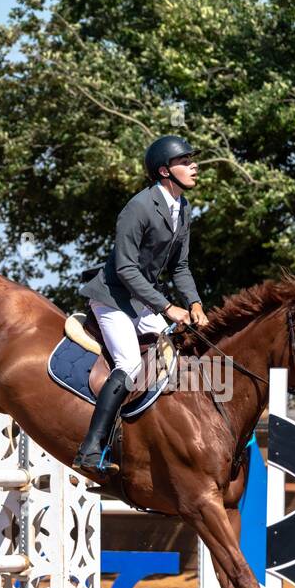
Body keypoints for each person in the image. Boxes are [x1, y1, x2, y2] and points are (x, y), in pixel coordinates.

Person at [74, 134, 209, 473]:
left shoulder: (183, 208)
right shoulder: (139, 207)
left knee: (176, 353)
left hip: (141, 300)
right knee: (130, 364)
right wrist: (167, 307)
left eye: (192, 160)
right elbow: (125, 268)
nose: (194, 166)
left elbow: (180, 267)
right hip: (113, 298)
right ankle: (91, 448)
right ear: (165, 171)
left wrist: (194, 303)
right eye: (185, 162)